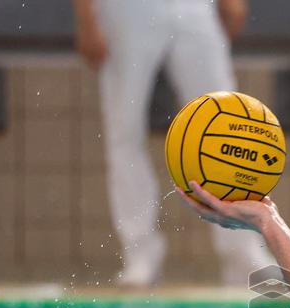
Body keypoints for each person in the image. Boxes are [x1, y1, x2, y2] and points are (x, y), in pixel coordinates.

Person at [73, 0, 276, 287]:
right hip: (125, 9)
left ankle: (243, 252)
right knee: (125, 131)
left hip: (192, 6)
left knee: (228, 124)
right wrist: (86, 17)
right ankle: (140, 254)